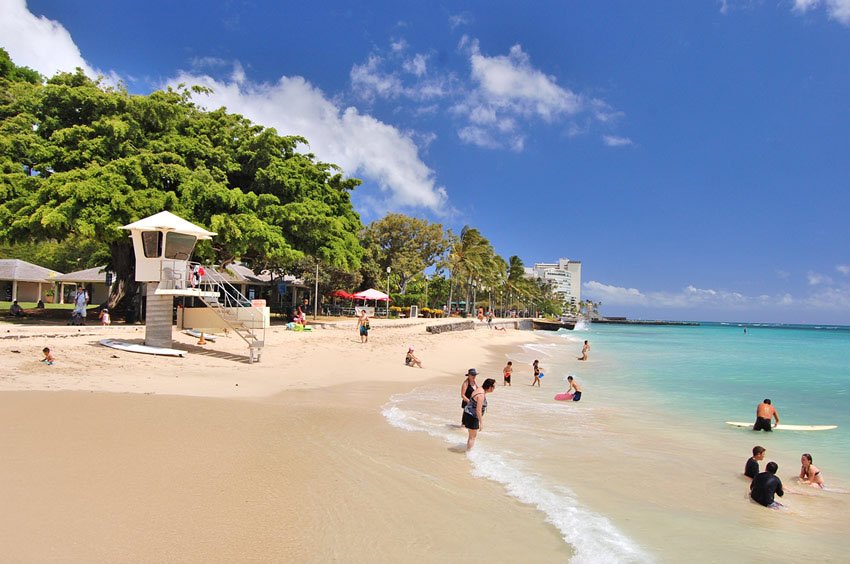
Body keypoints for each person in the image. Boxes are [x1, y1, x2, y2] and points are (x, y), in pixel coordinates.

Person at [463, 377, 496, 450]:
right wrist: (481, 423)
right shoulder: (481, 395)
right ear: (490, 387)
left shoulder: (480, 389)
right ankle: (469, 453)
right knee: (472, 437)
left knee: (471, 436)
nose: (494, 389)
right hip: (472, 416)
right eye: (494, 387)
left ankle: (468, 449)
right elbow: (478, 410)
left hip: (468, 413)